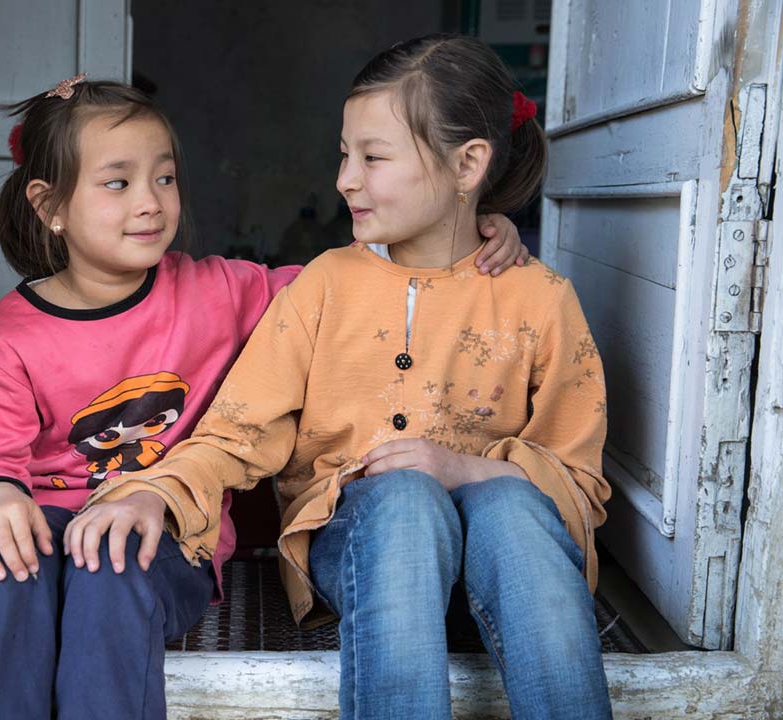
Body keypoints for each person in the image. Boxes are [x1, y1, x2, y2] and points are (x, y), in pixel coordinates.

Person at [0, 76, 527, 719]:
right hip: (44, 521)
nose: (151, 202)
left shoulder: (218, 292)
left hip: (163, 535)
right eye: (117, 182)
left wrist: (460, 232)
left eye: (164, 178)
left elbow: (341, 289)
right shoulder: (11, 332)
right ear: (50, 207)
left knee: (105, 570)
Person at [73, 36, 613, 720]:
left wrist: (462, 468)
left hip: (505, 571)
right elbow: (238, 433)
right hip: (367, 554)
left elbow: (579, 486)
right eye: (344, 153)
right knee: (406, 500)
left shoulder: (540, 299)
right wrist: (157, 493)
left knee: (509, 509)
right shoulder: (325, 286)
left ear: (467, 163)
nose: (344, 179)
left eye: (373, 157)